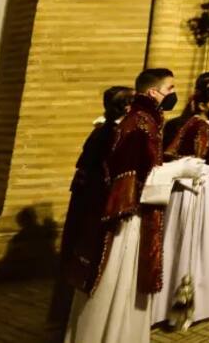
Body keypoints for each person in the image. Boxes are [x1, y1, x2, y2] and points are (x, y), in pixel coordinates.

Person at [65, 69, 205, 343]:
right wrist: (178, 170)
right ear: (153, 92)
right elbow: (129, 177)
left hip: (135, 214)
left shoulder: (145, 120)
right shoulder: (141, 124)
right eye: (170, 88)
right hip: (125, 219)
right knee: (115, 281)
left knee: (126, 283)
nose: (174, 94)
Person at [151, 86, 209, 330]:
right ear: (201, 105)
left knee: (191, 243)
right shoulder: (198, 126)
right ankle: (185, 302)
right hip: (194, 192)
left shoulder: (199, 125)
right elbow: (194, 164)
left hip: (196, 190)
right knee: (192, 245)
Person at [61, 87, 135, 294]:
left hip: (91, 196)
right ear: (128, 107)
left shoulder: (106, 130)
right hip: (97, 200)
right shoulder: (111, 134)